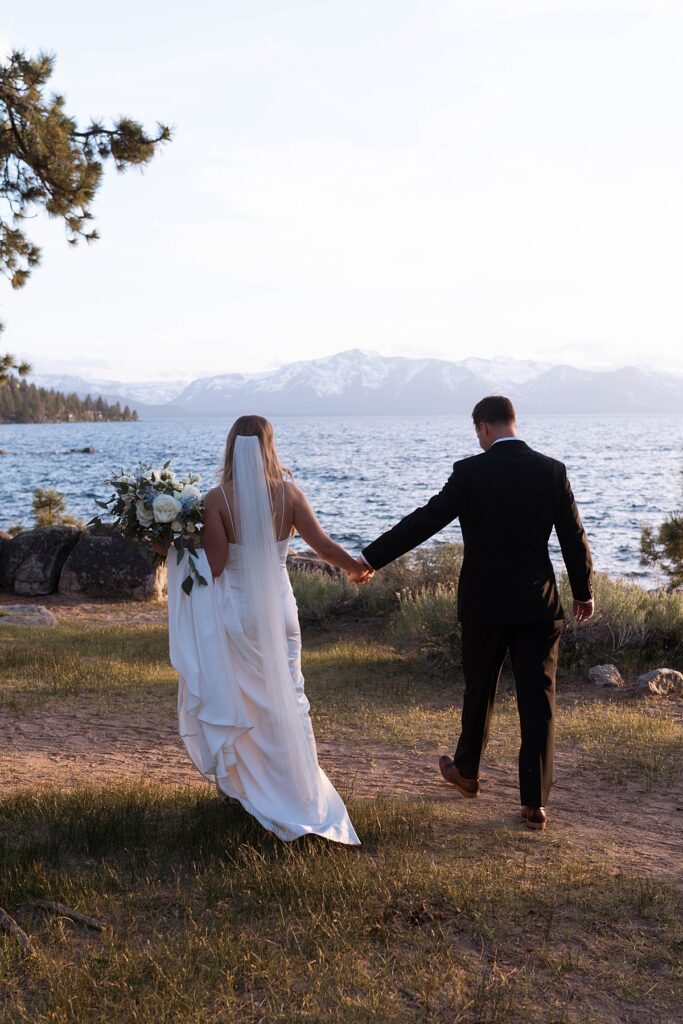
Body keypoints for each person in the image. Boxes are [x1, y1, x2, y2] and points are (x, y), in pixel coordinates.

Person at [356, 396, 594, 830]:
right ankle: (533, 803)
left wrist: (372, 558)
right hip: (538, 604)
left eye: (478, 432)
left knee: (479, 691)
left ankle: (466, 773)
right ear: (512, 423)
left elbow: (424, 521)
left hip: (484, 605)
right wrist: (583, 592)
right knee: (538, 700)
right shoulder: (552, 470)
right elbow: (573, 537)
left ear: (483, 427)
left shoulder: (470, 472)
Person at [167, 414, 370, 844]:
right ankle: (301, 791)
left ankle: (247, 788)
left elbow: (216, 567)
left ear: (229, 446)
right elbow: (324, 546)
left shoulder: (216, 500)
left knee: (243, 699)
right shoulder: (290, 494)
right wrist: (354, 566)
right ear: (268, 445)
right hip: (280, 612)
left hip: (239, 614)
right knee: (290, 698)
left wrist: (174, 548)